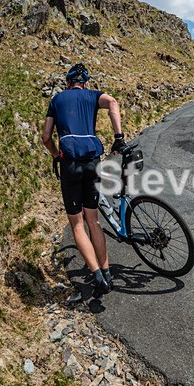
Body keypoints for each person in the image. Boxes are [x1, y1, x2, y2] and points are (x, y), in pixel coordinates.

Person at [42, 63, 126, 300]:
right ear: (85, 83)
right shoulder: (93, 95)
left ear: (67, 83)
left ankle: (97, 276)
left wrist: (55, 154)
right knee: (94, 221)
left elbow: (46, 137)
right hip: (93, 162)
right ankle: (107, 271)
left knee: (77, 224)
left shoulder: (57, 99)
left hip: (70, 164)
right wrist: (118, 137)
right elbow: (113, 103)